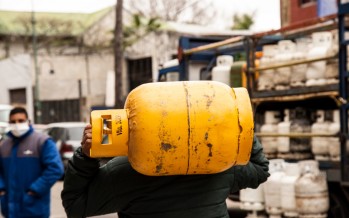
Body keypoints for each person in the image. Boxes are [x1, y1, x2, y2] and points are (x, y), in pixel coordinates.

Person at [62, 124, 269, 218]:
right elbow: (260, 170)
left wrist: (86, 156)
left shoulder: (125, 171)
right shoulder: (217, 164)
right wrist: (240, 125)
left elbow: (75, 206)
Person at [0, 107, 64, 218]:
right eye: (13, 121)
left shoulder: (42, 142)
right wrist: (1, 190)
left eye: (20, 121)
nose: (17, 124)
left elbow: (55, 168)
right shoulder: (4, 145)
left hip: (34, 207)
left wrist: (34, 191)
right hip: (9, 209)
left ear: (28, 122)